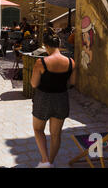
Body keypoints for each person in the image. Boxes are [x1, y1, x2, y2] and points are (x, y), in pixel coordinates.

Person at [30, 33, 76, 168]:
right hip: (61, 98)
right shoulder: (71, 62)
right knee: (56, 134)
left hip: (43, 98)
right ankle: (51, 160)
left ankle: (45, 161)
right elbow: (72, 82)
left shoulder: (41, 62)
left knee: (38, 129)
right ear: (59, 45)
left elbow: (33, 83)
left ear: (46, 46)